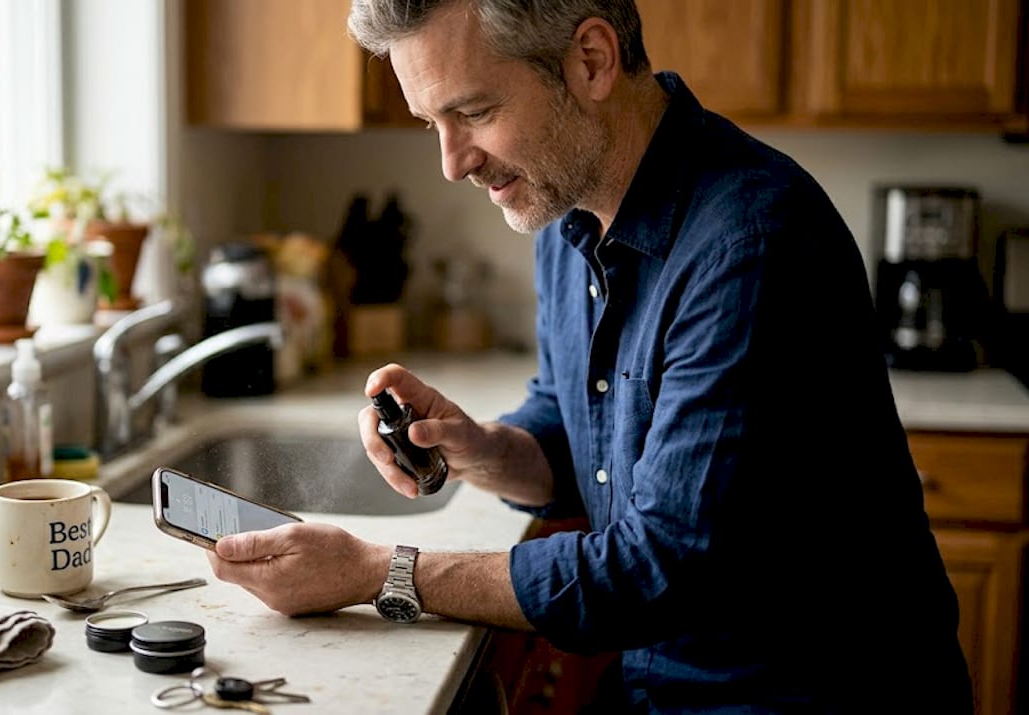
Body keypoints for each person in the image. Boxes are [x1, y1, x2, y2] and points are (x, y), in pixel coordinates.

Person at [206, 1, 973, 711]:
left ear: (593, 60)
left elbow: (655, 570)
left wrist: (379, 571)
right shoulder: (563, 209)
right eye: (430, 122)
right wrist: (480, 448)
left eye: (473, 112)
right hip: (661, 684)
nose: (452, 162)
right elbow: (587, 437)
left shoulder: (752, 242)